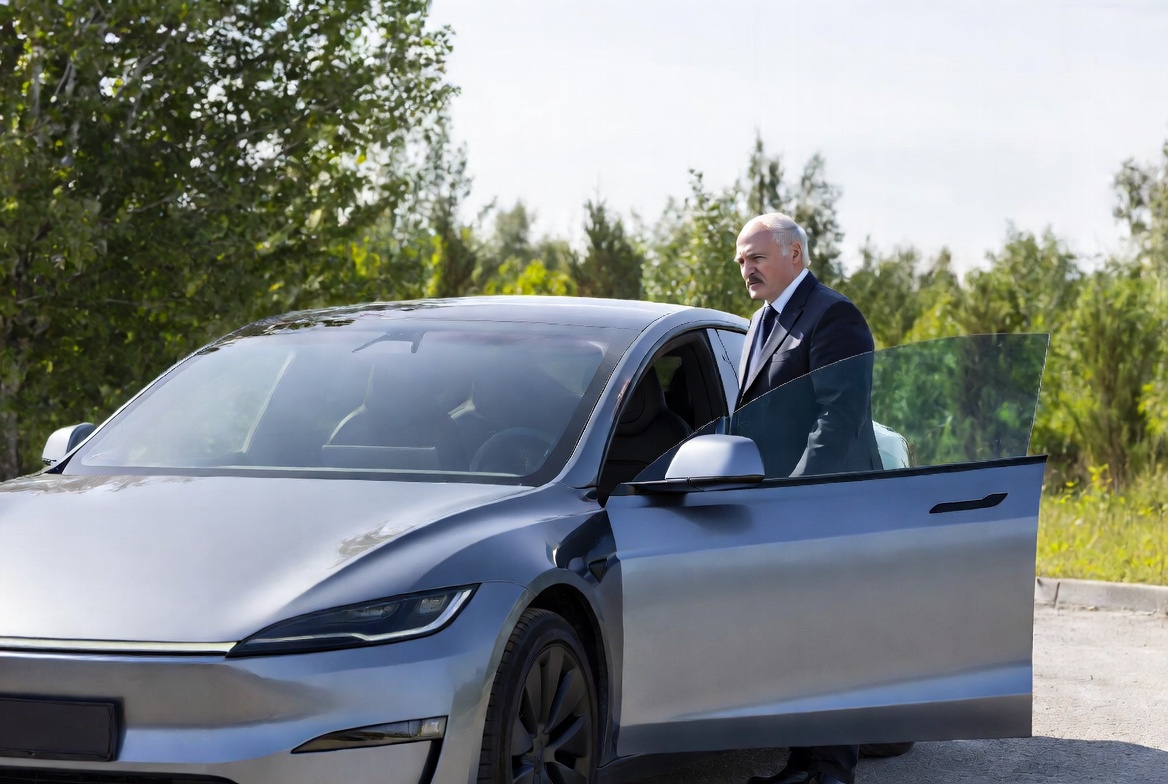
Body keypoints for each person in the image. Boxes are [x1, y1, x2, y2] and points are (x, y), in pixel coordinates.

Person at [734, 212, 880, 784]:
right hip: (774, 508)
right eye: (742, 260)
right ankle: (802, 762)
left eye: (757, 257)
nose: (747, 269)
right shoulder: (758, 322)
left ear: (794, 254)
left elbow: (839, 418)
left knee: (829, 638)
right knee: (794, 636)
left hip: (825, 505)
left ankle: (832, 771)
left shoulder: (833, 315)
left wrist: (795, 493)